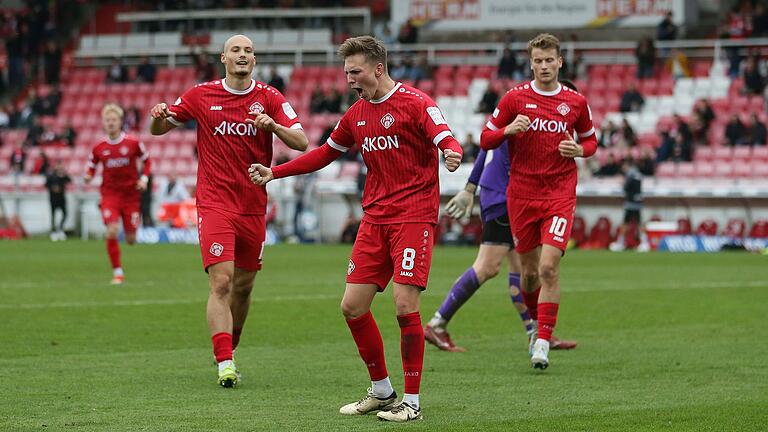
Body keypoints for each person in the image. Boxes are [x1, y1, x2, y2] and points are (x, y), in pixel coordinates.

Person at [247, 36, 463, 422]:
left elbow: (445, 137)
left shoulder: (416, 103)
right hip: (375, 219)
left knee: (404, 304)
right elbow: (324, 154)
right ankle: (382, 391)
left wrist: (451, 153)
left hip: (414, 217)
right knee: (352, 306)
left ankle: (411, 403)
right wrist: (274, 172)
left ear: (378, 68)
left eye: (355, 71)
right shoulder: (356, 114)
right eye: (346, 72)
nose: (349, 79)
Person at [149, 34, 308, 389]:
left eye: (248, 51)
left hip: (252, 206)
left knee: (244, 286)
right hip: (214, 203)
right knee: (221, 281)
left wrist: (273, 126)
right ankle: (224, 362)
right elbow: (158, 129)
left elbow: (302, 142)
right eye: (236, 50)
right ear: (223, 58)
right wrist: (158, 116)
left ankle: (230, 350)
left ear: (254, 60)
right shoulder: (201, 95)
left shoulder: (269, 98)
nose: (243, 55)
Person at [424, 80, 583, 355]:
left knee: (521, 270)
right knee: (489, 266)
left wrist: (471, 187)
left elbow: (489, 143)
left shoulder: (535, 117)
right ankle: (438, 323)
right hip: (504, 195)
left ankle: (537, 333)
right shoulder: (527, 113)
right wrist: (469, 188)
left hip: (505, 195)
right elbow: (489, 143)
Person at [479, 33, 597, 370]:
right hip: (522, 195)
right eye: (538, 61)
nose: (544, 66)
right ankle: (534, 327)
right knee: (529, 273)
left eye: (550, 60)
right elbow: (486, 139)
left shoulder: (576, 102)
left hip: (559, 193)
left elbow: (591, 142)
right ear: (531, 63)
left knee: (548, 267)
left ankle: (543, 339)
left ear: (560, 62)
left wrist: (579, 151)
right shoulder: (514, 99)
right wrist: (508, 131)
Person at [84, 103, 152, 285]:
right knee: (112, 230)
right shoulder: (99, 147)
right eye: (107, 120)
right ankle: (118, 272)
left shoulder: (133, 143)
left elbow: (147, 162)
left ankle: (130, 234)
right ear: (103, 123)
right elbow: (91, 165)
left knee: (130, 239)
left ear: (120, 122)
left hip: (131, 196)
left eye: (114, 120)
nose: (111, 123)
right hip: (110, 195)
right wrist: (88, 176)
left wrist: (144, 179)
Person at [45, 160, 71, 241]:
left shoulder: (63, 175)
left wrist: (64, 174)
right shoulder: (51, 175)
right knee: (53, 215)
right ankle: (53, 231)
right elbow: (46, 185)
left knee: (65, 214)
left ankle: (59, 228)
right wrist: (52, 188)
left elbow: (69, 180)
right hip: (53, 198)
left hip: (61, 198)